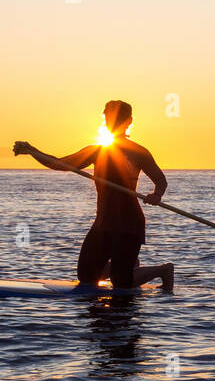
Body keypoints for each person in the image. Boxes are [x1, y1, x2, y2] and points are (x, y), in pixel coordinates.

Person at [13, 100, 174, 291]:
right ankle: (129, 266)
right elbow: (59, 163)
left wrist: (157, 195)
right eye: (108, 118)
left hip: (129, 223)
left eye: (118, 119)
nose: (112, 122)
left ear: (129, 121)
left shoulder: (139, 152)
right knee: (86, 276)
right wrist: (32, 150)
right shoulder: (97, 151)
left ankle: (163, 270)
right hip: (104, 222)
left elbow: (160, 180)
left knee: (121, 282)